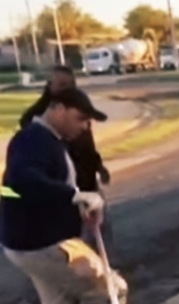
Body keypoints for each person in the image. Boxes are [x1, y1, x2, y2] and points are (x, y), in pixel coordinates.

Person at [0, 88, 128, 304]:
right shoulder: (34, 140)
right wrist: (73, 196)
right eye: (80, 118)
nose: (84, 127)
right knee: (110, 288)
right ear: (57, 109)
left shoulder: (46, 140)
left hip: (26, 242)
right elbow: (22, 180)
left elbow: (37, 188)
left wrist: (75, 205)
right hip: (40, 242)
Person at [20, 65, 112, 249]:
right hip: (65, 195)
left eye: (71, 84)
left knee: (101, 236)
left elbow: (88, 144)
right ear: (50, 85)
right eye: (62, 85)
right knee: (74, 249)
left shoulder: (78, 108)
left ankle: (100, 268)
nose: (67, 89)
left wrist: (99, 166)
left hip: (88, 184)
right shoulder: (36, 120)